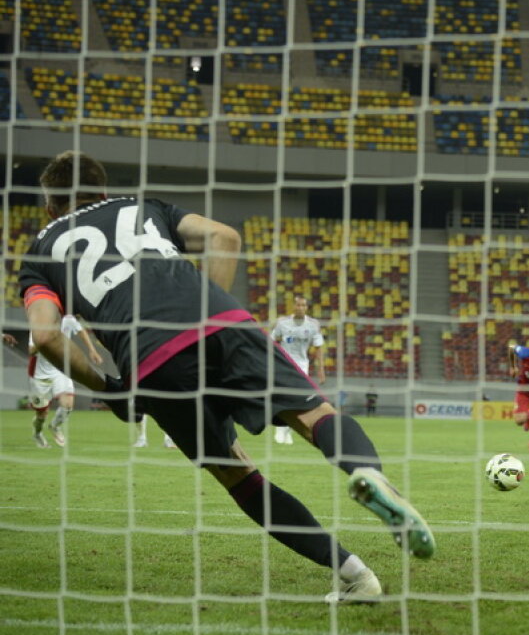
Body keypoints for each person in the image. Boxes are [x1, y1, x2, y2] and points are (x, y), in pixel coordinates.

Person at [18, 150, 434, 604]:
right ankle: (369, 476)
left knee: (236, 473)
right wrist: (205, 312)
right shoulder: (143, 207)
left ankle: (356, 576)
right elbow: (225, 237)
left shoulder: (41, 251)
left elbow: (46, 334)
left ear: (50, 207)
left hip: (152, 358)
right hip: (222, 321)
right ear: (101, 189)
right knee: (316, 416)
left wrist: (110, 389)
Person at [22, 316, 103, 448]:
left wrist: (92, 350)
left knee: (68, 404)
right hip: (40, 374)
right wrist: (45, 341)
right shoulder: (38, 325)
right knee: (41, 414)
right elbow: (31, 351)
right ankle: (37, 434)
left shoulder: (67, 319)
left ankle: (55, 426)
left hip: (60, 369)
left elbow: (81, 330)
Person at [270, 293, 326, 445]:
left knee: (299, 399)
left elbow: (318, 347)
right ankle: (280, 429)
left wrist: (321, 369)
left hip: (302, 365)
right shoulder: (282, 323)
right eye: (298, 305)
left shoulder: (313, 325)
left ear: (306, 308)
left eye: (303, 305)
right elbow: (271, 342)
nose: (300, 307)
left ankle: (287, 430)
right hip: (284, 363)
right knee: (283, 395)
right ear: (293, 306)